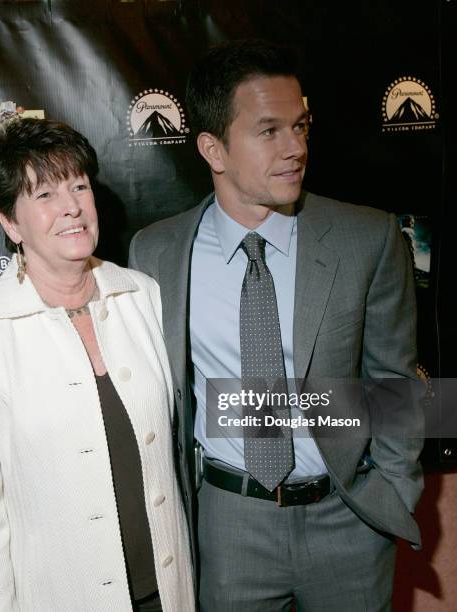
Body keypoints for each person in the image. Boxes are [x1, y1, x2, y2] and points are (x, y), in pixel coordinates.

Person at [129, 40, 424, 611]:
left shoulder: (368, 238)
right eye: (269, 131)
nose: (295, 148)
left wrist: (393, 490)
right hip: (228, 526)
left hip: (349, 521)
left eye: (300, 126)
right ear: (213, 149)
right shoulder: (158, 252)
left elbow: (395, 382)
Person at [0, 118, 194, 612]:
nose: (72, 207)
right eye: (45, 195)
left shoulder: (142, 295)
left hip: (167, 592)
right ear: (9, 223)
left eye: (79, 186)